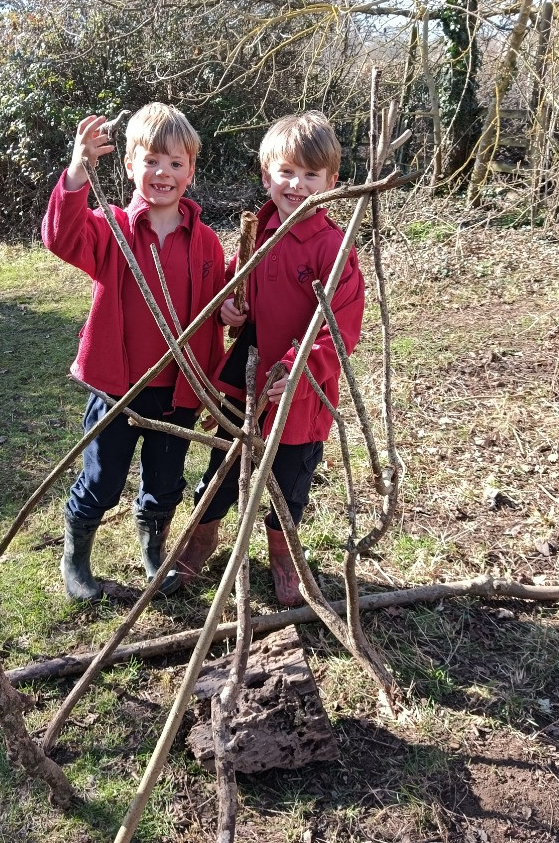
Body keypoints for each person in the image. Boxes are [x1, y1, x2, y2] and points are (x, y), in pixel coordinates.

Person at [177, 110, 364, 607]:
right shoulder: (258, 233)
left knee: (288, 479)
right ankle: (203, 536)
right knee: (224, 460)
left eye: (310, 175)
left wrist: (299, 371)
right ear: (266, 176)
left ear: (331, 181)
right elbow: (235, 289)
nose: (297, 185)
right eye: (286, 172)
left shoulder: (334, 248)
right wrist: (230, 307)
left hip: (302, 392)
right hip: (247, 381)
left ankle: (283, 555)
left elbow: (340, 328)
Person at [42, 103, 225, 601]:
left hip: (178, 392)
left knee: (165, 482)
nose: (162, 173)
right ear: (128, 165)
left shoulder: (207, 243)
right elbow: (61, 237)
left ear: (191, 170)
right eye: (151, 161)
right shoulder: (112, 228)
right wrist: (78, 171)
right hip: (119, 388)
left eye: (175, 163)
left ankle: (152, 548)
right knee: (102, 479)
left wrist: (214, 375)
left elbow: (215, 313)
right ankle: (76, 556)